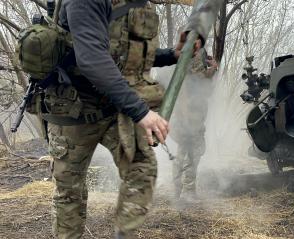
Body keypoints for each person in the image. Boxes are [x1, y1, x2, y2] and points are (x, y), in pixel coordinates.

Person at [45, 0, 198, 238]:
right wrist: (141, 112)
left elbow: (124, 54)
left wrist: (172, 54)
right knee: (69, 193)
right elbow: (92, 59)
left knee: (142, 169)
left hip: (115, 107)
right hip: (74, 111)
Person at [171, 48, 218, 202]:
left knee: (182, 153)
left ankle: (177, 190)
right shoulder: (194, 54)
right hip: (191, 118)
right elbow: (202, 81)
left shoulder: (182, 54)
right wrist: (213, 68)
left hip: (183, 117)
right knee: (193, 153)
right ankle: (188, 192)